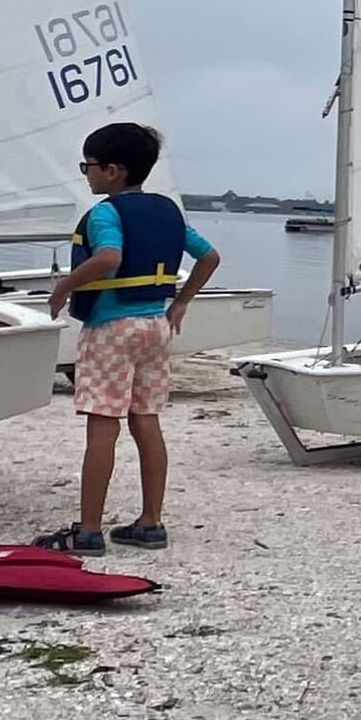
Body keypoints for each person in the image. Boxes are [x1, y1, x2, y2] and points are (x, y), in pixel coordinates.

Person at [41, 120, 218, 553]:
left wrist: (64, 287)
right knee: (146, 419)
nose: (87, 173)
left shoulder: (106, 213)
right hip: (155, 327)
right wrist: (181, 303)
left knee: (103, 426)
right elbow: (209, 257)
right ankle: (151, 522)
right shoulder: (169, 211)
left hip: (112, 329)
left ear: (114, 170)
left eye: (89, 166)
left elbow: (108, 258)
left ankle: (87, 530)